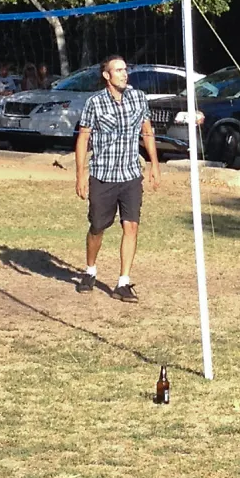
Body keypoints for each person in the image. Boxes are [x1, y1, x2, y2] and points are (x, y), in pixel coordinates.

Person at [74, 55, 161, 302]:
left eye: (125, 69)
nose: (124, 74)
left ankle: (123, 282)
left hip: (131, 174)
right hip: (103, 174)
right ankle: (90, 271)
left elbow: (147, 132)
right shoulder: (94, 102)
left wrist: (154, 164)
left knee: (131, 225)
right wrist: (80, 174)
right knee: (97, 227)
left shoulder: (138, 97)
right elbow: (83, 138)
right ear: (107, 76)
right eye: (118, 70)